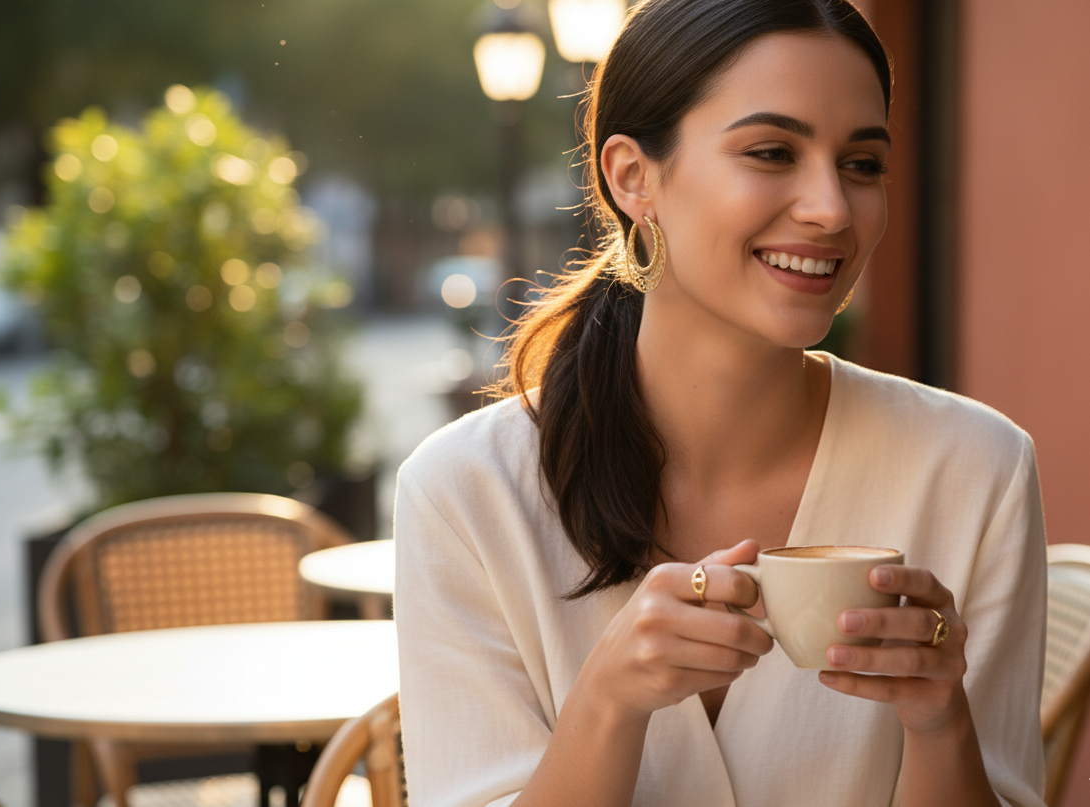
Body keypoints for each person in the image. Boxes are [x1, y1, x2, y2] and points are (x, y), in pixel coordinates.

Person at [394, 0, 1047, 805]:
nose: (832, 209)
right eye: (772, 152)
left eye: (862, 164)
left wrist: (940, 721)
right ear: (634, 177)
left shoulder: (976, 468)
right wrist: (608, 702)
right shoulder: (466, 491)